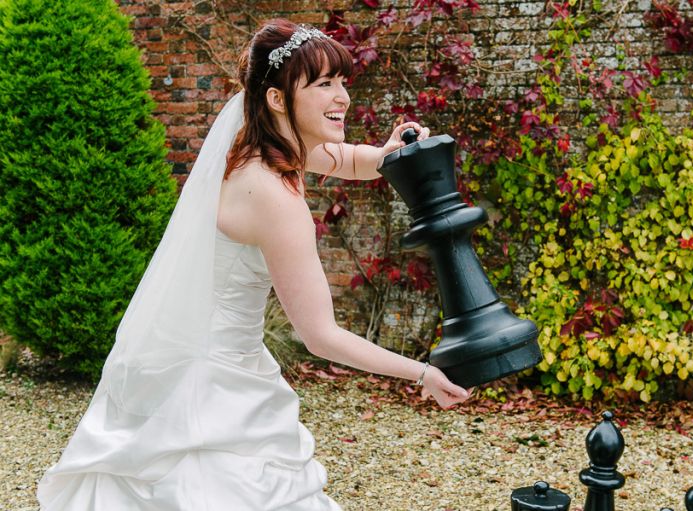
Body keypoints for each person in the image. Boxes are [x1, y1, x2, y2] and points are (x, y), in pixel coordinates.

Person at [37, 18, 470, 511]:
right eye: (323, 84)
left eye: (342, 81)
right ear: (278, 98)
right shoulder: (274, 198)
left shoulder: (257, 144)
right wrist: (422, 373)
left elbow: (347, 160)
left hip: (194, 363)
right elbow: (321, 336)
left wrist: (388, 154)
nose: (343, 97)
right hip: (212, 388)